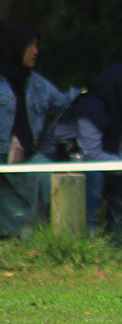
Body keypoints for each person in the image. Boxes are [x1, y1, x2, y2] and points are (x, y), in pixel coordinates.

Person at [52, 63, 122, 237]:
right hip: (65, 164)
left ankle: (120, 242)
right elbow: (92, 155)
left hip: (96, 162)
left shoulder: (120, 111)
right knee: (95, 176)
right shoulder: (89, 108)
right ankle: (87, 238)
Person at [0, 21, 77, 237]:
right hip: (2, 160)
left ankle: (62, 241)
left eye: (36, 45)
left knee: (58, 181)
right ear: (13, 46)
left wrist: (92, 99)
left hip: (29, 158)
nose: (36, 51)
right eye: (30, 45)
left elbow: (64, 103)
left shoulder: (36, 83)